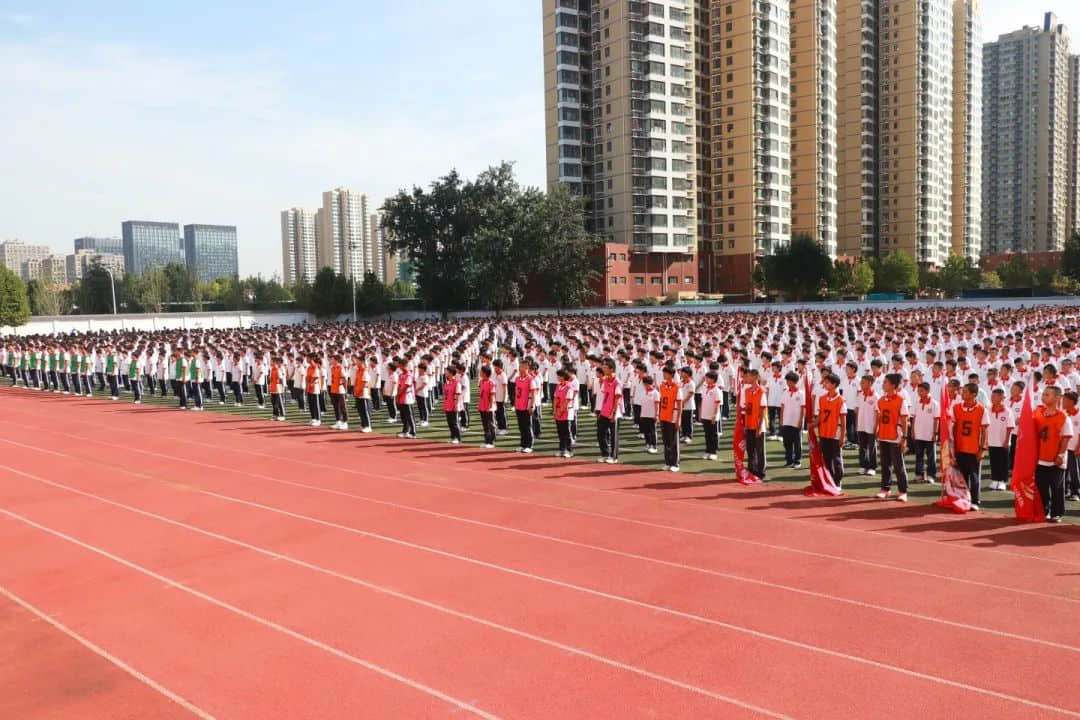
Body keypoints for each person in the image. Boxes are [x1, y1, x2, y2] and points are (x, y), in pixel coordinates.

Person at [1032, 386, 1072, 522]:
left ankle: (1057, 513)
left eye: (1047, 394)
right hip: (1040, 457)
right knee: (1041, 486)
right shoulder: (1037, 412)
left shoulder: (1063, 417)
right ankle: (1044, 510)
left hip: (1056, 458)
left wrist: (1061, 454)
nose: (1044, 396)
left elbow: (1066, 437)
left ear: (1057, 398)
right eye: (1043, 394)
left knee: (1057, 487)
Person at [952, 382, 989, 510]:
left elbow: (984, 430)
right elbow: (952, 426)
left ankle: (975, 500)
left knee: (974, 476)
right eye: (963, 391)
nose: (963, 393)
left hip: (973, 448)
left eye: (966, 391)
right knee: (961, 476)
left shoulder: (981, 409)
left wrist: (982, 449)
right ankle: (963, 497)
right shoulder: (956, 407)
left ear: (974, 395)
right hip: (960, 446)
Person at [874, 373, 910, 501]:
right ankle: (885, 488)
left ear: (893, 385)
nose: (883, 384)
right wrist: (877, 432)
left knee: (898, 465)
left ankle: (903, 491)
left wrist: (905, 438)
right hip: (883, 436)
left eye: (886, 382)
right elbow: (879, 418)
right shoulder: (881, 400)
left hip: (895, 437)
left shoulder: (901, 401)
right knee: (885, 464)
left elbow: (905, 421)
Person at [816, 373, 846, 488]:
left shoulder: (840, 400)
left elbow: (843, 422)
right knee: (826, 458)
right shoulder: (822, 398)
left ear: (834, 384)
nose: (825, 384)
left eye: (827, 382)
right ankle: (828, 479)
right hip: (824, 432)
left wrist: (843, 436)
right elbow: (820, 415)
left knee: (836, 458)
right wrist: (813, 424)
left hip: (835, 433)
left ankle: (838, 481)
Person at [741, 368, 767, 481]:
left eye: (749, 376)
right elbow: (745, 407)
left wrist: (760, 427)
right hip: (749, 423)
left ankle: (761, 472)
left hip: (758, 425)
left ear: (755, 377)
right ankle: (751, 470)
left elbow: (762, 411)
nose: (747, 378)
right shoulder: (746, 391)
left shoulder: (762, 392)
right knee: (750, 449)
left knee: (759, 449)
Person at [986, 388, 1015, 492]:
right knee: (993, 461)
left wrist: (1007, 440)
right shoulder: (988, 409)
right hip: (992, 440)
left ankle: (1002, 481)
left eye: (994, 396)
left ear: (1001, 397)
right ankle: (994, 479)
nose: (992, 398)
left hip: (1003, 441)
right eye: (991, 396)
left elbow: (1010, 427)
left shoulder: (1007, 411)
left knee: (1003, 462)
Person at [910, 382, 939, 484]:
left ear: (927, 391)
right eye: (918, 391)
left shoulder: (934, 403)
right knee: (919, 455)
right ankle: (919, 474)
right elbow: (913, 418)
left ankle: (931, 475)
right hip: (919, 433)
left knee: (931, 456)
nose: (919, 393)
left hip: (929, 434)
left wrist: (935, 433)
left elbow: (936, 420)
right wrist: (913, 431)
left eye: (921, 391)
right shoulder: (916, 402)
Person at [658, 365, 682, 472]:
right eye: (663, 373)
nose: (664, 375)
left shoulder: (677, 387)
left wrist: (678, 419)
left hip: (673, 417)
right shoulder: (662, 386)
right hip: (664, 415)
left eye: (666, 373)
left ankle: (675, 463)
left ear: (671, 375)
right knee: (666, 440)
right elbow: (661, 400)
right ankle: (668, 462)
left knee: (673, 441)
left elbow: (680, 405)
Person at [779, 371, 805, 468]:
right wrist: (781, 420)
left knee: (797, 442)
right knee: (787, 442)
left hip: (796, 421)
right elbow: (782, 407)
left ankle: (797, 461)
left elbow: (803, 408)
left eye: (789, 381)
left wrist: (801, 420)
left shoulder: (801, 393)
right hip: (786, 421)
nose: (788, 383)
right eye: (787, 381)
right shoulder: (785, 392)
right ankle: (789, 460)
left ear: (795, 382)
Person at [855, 375, 878, 476]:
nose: (861, 384)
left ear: (870, 383)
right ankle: (863, 465)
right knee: (862, 446)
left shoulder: (876, 396)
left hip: (871, 425)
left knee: (872, 447)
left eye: (863, 382)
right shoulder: (860, 395)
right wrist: (857, 424)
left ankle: (872, 467)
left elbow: (878, 413)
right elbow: (858, 410)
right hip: (861, 425)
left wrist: (876, 426)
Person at [699, 370, 722, 461]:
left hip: (712, 416)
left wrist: (714, 415)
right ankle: (708, 451)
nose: (706, 379)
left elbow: (717, 404)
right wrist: (700, 414)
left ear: (713, 379)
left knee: (713, 434)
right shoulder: (704, 388)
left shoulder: (717, 390)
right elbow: (702, 402)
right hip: (705, 415)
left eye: (708, 378)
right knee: (707, 434)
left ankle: (713, 452)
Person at [1064, 391, 1080, 501]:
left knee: (1075, 471)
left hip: (1075, 447)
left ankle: (1076, 492)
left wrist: (1078, 447)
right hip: (1064, 446)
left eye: (1065, 400)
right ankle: (1065, 490)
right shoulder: (1063, 413)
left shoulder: (1079, 415)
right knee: (1064, 470)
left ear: (1071, 401)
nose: (1063, 402)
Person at [395, 358, 416, 438]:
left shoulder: (409, 375)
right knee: (403, 416)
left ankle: (413, 432)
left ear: (403, 365)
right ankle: (405, 431)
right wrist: (398, 395)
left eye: (399, 365)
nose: (399, 367)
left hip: (407, 397)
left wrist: (399, 393)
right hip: (401, 397)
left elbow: (406, 386)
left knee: (410, 415)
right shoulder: (401, 375)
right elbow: (399, 385)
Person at [639, 375, 660, 455]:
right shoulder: (643, 392)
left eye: (645, 384)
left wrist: (656, 414)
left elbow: (657, 404)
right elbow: (642, 404)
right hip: (644, 414)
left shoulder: (656, 393)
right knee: (646, 431)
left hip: (652, 415)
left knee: (652, 431)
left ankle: (654, 446)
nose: (644, 386)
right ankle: (648, 444)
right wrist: (641, 414)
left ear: (649, 383)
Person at [351, 353, 372, 432]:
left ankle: (368, 426)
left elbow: (365, 383)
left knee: (365, 410)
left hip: (364, 394)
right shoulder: (358, 371)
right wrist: (355, 390)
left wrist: (358, 391)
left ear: (362, 362)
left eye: (358, 361)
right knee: (360, 410)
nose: (356, 362)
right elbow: (356, 381)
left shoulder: (365, 371)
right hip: (358, 393)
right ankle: (363, 424)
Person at [443, 366, 463, 444]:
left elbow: (457, 394)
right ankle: (452, 437)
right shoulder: (447, 382)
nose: (445, 373)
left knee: (454, 422)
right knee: (450, 422)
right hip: (448, 404)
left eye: (447, 371)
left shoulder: (457, 383)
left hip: (453, 405)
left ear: (451, 373)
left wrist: (456, 405)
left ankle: (457, 438)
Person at [477, 365, 496, 448]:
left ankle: (491, 441)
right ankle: (487, 441)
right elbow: (481, 394)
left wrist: (490, 406)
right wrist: (479, 404)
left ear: (485, 373)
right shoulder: (481, 382)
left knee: (490, 424)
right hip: (482, 405)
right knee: (485, 424)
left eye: (481, 371)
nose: (480, 373)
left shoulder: (491, 383)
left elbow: (492, 396)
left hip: (488, 406)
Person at [328, 354, 349, 430]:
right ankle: (338, 421)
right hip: (334, 388)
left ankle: (345, 422)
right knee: (336, 406)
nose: (331, 360)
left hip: (340, 389)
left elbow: (345, 379)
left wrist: (345, 390)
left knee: (343, 406)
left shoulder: (340, 367)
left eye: (332, 359)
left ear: (336, 360)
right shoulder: (332, 368)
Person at [305, 352, 323, 427]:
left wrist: (311, 383)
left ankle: (318, 419)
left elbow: (316, 377)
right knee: (311, 403)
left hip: (314, 387)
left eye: (308, 358)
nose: (306, 359)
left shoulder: (315, 367)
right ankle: (313, 418)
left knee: (316, 403)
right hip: (309, 386)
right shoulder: (309, 367)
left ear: (311, 358)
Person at [269, 356, 287, 421]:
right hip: (273, 388)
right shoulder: (272, 369)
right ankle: (275, 415)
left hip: (278, 388)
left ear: (275, 362)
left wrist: (282, 388)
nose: (270, 362)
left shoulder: (278, 370)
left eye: (271, 361)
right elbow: (271, 379)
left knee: (279, 402)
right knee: (273, 402)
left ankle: (282, 415)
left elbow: (281, 379)